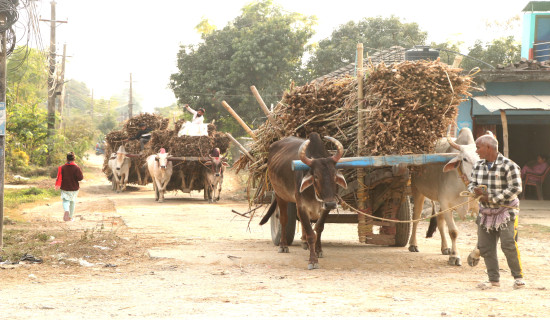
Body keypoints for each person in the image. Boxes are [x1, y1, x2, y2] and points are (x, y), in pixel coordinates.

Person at [467, 133, 525, 289]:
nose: (477, 151)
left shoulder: (509, 165)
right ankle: (494, 280)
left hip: (506, 213)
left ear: (488, 147)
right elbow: (471, 184)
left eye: (478, 148)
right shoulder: (477, 165)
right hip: (485, 213)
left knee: (508, 244)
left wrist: (491, 197)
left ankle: (518, 277)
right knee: (485, 247)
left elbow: (516, 188)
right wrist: (475, 190)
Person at [55, 152, 84, 222]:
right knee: (72, 202)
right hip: (74, 188)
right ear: (74, 159)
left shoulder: (62, 167)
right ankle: (70, 217)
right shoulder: (76, 168)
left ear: (66, 159)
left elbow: (59, 177)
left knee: (65, 200)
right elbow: (80, 178)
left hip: (64, 187)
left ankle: (66, 211)